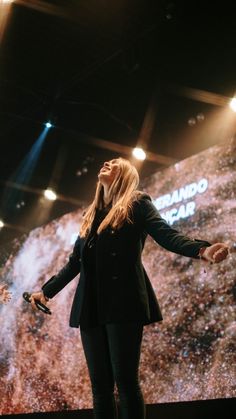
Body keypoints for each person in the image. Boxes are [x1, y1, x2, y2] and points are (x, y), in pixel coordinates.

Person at [29, 157, 229, 419]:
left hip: (123, 301)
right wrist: (46, 291)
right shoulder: (91, 217)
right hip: (90, 306)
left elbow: (167, 235)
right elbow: (74, 263)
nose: (106, 163)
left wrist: (202, 249)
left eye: (114, 163)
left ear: (125, 174)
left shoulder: (137, 204)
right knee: (99, 388)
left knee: (125, 382)